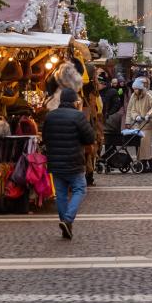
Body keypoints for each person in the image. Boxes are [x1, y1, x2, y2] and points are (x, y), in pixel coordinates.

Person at [42, 87, 95, 239]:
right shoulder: (78, 116)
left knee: (61, 195)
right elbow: (90, 138)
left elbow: (45, 138)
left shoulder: (50, 116)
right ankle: (68, 219)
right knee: (80, 189)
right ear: (74, 101)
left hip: (55, 162)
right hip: (74, 161)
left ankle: (66, 224)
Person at [124, 77, 152, 172]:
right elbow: (131, 109)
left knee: (144, 144)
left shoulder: (149, 94)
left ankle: (145, 165)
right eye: (134, 89)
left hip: (148, 124)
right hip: (138, 124)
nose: (135, 90)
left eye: (136, 89)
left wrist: (149, 115)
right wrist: (134, 116)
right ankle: (145, 165)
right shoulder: (134, 95)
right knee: (141, 145)